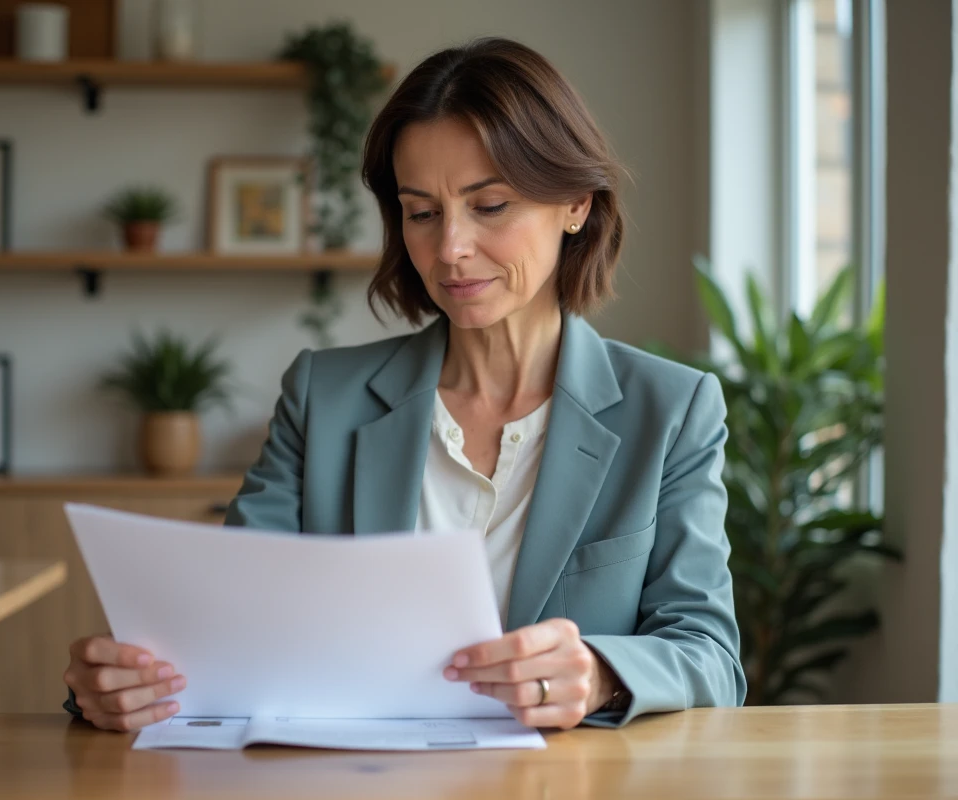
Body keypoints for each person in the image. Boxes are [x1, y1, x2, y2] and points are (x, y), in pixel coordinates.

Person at [64, 36, 747, 733]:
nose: (450, 248)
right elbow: (225, 622)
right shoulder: (323, 399)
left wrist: (601, 674)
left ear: (576, 203)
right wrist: (120, 683)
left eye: (489, 205)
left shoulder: (672, 410)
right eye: (422, 213)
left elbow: (711, 657)